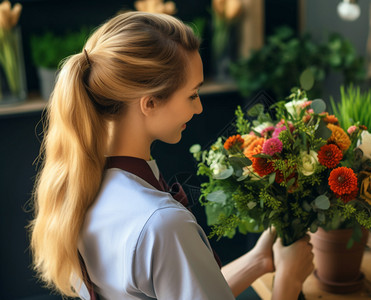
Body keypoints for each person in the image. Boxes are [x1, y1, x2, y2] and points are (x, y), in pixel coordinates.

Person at [29, 11, 314, 300]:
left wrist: (258, 261)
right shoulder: (161, 224)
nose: (199, 107)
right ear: (149, 103)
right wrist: (288, 282)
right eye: (192, 94)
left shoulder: (83, 187)